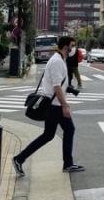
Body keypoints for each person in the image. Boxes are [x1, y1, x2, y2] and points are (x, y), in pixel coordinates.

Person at [13, 36, 85, 176]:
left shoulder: (60, 59)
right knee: (54, 134)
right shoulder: (57, 61)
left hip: (55, 103)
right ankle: (19, 158)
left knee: (58, 133)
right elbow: (57, 86)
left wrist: (69, 90)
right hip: (54, 105)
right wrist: (65, 105)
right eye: (72, 45)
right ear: (66, 47)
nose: (73, 49)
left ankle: (67, 163)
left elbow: (59, 84)